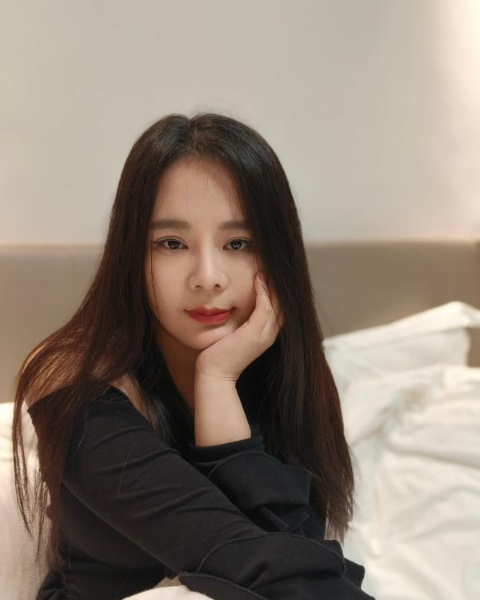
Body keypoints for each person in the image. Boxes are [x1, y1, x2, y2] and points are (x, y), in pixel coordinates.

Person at [12, 113, 375, 600]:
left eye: (238, 243)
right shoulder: (73, 378)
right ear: (132, 254)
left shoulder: (279, 368)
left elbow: (298, 551)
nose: (207, 277)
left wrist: (218, 381)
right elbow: (248, 562)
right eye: (172, 243)